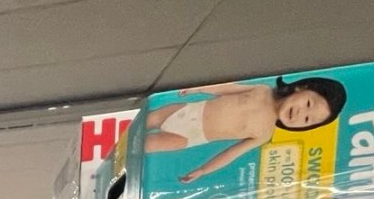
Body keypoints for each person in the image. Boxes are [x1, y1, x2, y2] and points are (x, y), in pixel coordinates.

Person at [145, 75, 348, 183]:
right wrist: (199, 88)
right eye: (308, 104)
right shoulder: (262, 91)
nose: (301, 114)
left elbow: (231, 154)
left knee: (148, 145)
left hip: (190, 136)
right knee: (149, 119)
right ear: (302, 88)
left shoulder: (264, 133)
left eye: (307, 119)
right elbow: (226, 88)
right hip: (187, 111)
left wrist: (203, 170)